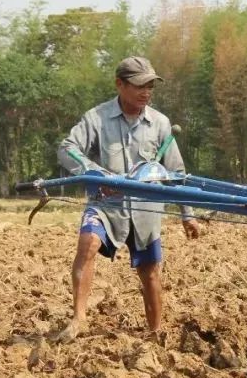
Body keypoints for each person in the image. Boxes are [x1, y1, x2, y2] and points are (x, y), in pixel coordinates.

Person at [53, 56, 199, 342]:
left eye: (151, 87)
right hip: (107, 205)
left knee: (150, 272)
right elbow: (67, 148)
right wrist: (95, 173)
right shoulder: (96, 118)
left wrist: (188, 214)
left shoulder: (160, 124)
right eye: (140, 85)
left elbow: (177, 173)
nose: (147, 92)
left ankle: (156, 334)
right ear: (120, 84)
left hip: (146, 209)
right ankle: (78, 319)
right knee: (88, 243)